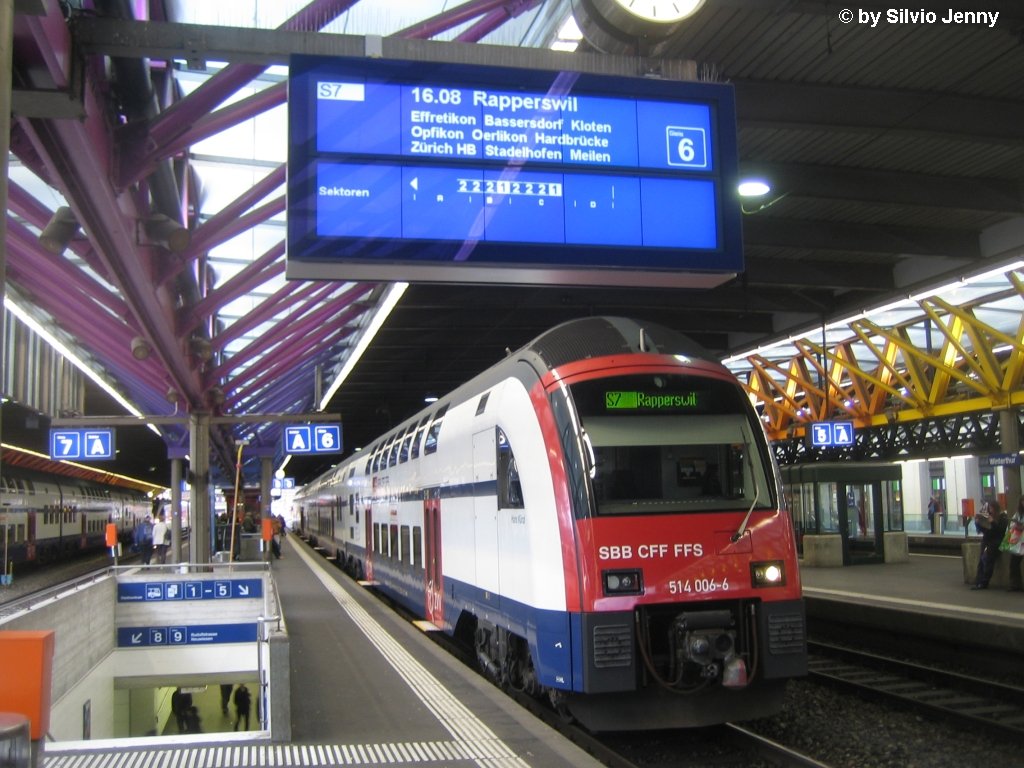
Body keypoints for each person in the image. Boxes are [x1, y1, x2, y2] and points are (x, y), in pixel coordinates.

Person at [972, 500, 1007, 590]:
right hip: (987, 540)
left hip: (996, 542)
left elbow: (1000, 531)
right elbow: (985, 531)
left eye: (991, 508)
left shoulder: (1003, 518)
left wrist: (992, 522)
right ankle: (978, 581)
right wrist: (978, 523)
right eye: (989, 509)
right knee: (981, 561)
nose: (990, 511)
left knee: (988, 560)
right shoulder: (988, 516)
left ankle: (984, 582)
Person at [1006, 498, 1024, 592]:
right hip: (1018, 541)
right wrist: (1017, 526)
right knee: (1014, 564)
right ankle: (1015, 584)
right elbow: (1012, 524)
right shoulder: (1018, 514)